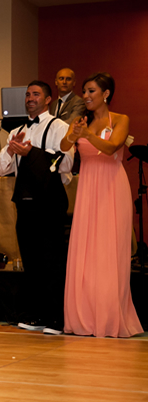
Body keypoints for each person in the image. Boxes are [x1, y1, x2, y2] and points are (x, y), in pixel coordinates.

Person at [61, 72, 143, 338]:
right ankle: (84, 317)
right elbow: (64, 148)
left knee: (109, 251)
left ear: (106, 94)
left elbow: (112, 148)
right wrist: (74, 135)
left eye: (91, 91)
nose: (85, 96)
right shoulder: (79, 121)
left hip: (111, 187)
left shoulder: (120, 120)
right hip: (87, 188)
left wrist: (88, 134)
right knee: (86, 250)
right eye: (84, 91)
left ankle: (109, 318)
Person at [0, 80, 73, 336]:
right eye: (28, 94)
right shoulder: (17, 130)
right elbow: (1, 167)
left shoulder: (60, 126)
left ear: (48, 99)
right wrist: (11, 148)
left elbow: (67, 163)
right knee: (31, 259)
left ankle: (56, 318)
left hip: (50, 199)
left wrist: (32, 153)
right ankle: (37, 314)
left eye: (36, 94)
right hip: (25, 200)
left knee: (51, 259)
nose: (30, 98)